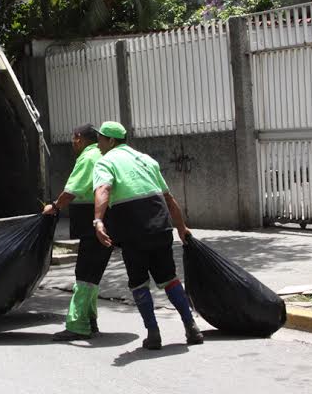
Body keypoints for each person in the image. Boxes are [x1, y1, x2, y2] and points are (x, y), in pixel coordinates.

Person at [91, 121, 204, 350]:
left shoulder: (106, 162)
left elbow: (103, 189)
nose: (98, 143)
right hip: (160, 225)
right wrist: (181, 227)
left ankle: (153, 333)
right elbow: (168, 198)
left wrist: (98, 220)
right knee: (170, 278)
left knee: (138, 282)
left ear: (111, 141)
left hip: (133, 229)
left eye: (101, 138)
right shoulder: (146, 159)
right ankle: (191, 326)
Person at [43, 124, 114, 341]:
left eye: (74, 139)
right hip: (109, 220)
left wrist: (54, 207)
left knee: (84, 273)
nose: (73, 143)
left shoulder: (87, 158)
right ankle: (90, 320)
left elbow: (71, 191)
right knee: (93, 274)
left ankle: (78, 325)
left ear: (79, 138)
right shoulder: (105, 155)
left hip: (92, 222)